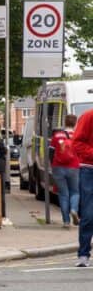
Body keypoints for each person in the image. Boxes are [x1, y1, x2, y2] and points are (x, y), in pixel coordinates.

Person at [50, 114, 79, 228]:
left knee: (63, 194)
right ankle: (73, 209)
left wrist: (53, 165)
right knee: (75, 192)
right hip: (74, 166)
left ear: (65, 122)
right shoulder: (77, 135)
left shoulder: (57, 135)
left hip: (58, 167)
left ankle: (66, 222)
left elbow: (51, 152)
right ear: (75, 123)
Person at [73, 108, 93, 267]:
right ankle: (84, 254)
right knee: (88, 214)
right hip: (89, 170)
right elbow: (77, 143)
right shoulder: (88, 116)